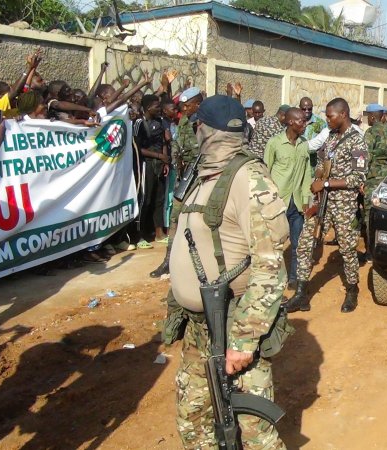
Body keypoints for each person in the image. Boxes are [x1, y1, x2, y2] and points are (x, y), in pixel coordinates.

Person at [167, 95, 289, 449]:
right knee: (195, 423)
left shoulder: (249, 178)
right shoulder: (200, 174)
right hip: (197, 327)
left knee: (255, 435)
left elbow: (270, 267)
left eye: (196, 127)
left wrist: (244, 341)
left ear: (205, 130)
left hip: (233, 326)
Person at [285, 98, 369, 313]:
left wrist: (328, 183)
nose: (327, 120)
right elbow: (323, 162)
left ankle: (352, 290)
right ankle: (302, 294)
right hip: (322, 201)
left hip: (344, 204)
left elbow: (359, 178)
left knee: (347, 248)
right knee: (305, 243)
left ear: (343, 115)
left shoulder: (357, 141)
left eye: (330, 116)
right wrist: (319, 179)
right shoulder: (330, 137)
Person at [150, 87, 203, 278]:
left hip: (203, 177)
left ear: (197, 104)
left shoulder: (203, 122)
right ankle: (168, 260)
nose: (184, 109)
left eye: (187, 106)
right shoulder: (184, 120)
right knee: (175, 216)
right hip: (185, 176)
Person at [263, 107, 313, 288]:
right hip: (278, 202)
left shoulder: (304, 144)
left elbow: (308, 173)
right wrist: (267, 200)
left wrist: (307, 200)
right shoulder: (274, 143)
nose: (305, 123)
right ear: (291, 122)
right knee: (273, 244)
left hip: (297, 203)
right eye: (301, 121)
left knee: (297, 243)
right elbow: (265, 172)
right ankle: (271, 278)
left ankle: (293, 278)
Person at [134, 94, 170, 249]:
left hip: (159, 165)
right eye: (156, 106)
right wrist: (158, 156)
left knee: (159, 199)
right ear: (148, 108)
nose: (159, 108)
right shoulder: (139, 124)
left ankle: (159, 233)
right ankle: (139, 235)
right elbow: (137, 149)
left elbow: (162, 141)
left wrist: (164, 161)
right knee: (145, 200)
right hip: (145, 165)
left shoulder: (160, 121)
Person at [362, 103, 387, 261]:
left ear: (372, 116)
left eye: (368, 116)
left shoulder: (370, 132)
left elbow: (363, 158)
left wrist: (360, 181)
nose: (367, 119)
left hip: (372, 180)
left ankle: (370, 253)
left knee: (370, 216)